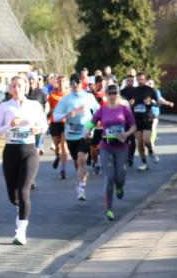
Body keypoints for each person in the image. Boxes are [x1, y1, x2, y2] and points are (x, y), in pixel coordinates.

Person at [0, 74, 47, 245]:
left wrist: (37, 129)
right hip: (11, 151)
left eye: (20, 86)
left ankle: (21, 231)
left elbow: (44, 125)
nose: (17, 89)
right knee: (13, 195)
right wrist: (10, 125)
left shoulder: (35, 105)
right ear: (9, 89)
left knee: (24, 191)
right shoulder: (4, 107)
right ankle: (20, 209)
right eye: (14, 86)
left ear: (26, 88)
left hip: (29, 150)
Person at [92, 83, 137, 220]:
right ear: (106, 95)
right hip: (106, 146)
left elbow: (134, 127)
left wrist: (126, 134)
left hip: (121, 147)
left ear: (118, 95)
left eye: (115, 93)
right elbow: (92, 122)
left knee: (120, 177)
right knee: (109, 177)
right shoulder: (102, 109)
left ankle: (120, 186)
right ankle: (109, 210)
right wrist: (87, 130)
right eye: (110, 93)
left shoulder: (125, 110)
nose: (112, 96)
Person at [53, 73, 100, 201]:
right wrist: (66, 114)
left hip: (85, 133)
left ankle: (81, 189)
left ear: (81, 83)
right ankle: (81, 179)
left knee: (82, 160)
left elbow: (98, 111)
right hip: (71, 135)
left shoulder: (88, 97)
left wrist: (92, 125)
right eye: (72, 82)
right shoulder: (66, 99)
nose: (75, 85)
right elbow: (55, 116)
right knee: (77, 162)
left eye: (77, 82)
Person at [128, 72, 158, 171]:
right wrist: (130, 104)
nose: (140, 81)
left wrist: (151, 102)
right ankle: (144, 162)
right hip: (136, 118)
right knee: (139, 142)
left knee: (146, 140)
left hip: (147, 117)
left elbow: (157, 102)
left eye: (142, 79)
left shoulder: (150, 90)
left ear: (145, 80)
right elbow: (127, 103)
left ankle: (151, 151)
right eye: (138, 79)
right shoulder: (133, 91)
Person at [47, 74, 69, 179]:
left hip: (66, 122)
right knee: (57, 146)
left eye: (63, 81)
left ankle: (63, 169)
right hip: (55, 122)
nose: (61, 83)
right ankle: (57, 155)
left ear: (66, 83)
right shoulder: (52, 95)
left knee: (64, 146)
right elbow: (49, 110)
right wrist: (53, 111)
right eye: (59, 81)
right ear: (57, 82)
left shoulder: (69, 95)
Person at [147, 79, 174, 154]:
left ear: (153, 84)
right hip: (146, 113)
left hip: (155, 111)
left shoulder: (156, 91)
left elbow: (160, 99)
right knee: (147, 128)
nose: (149, 85)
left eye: (150, 83)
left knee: (153, 126)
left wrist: (167, 103)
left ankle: (151, 142)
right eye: (148, 83)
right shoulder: (144, 92)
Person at [26, 75, 48, 157]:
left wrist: (44, 115)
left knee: (36, 144)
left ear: (36, 81)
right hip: (26, 122)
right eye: (29, 79)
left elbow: (46, 105)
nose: (31, 81)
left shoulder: (41, 93)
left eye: (32, 79)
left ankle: (34, 161)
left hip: (37, 122)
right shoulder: (24, 93)